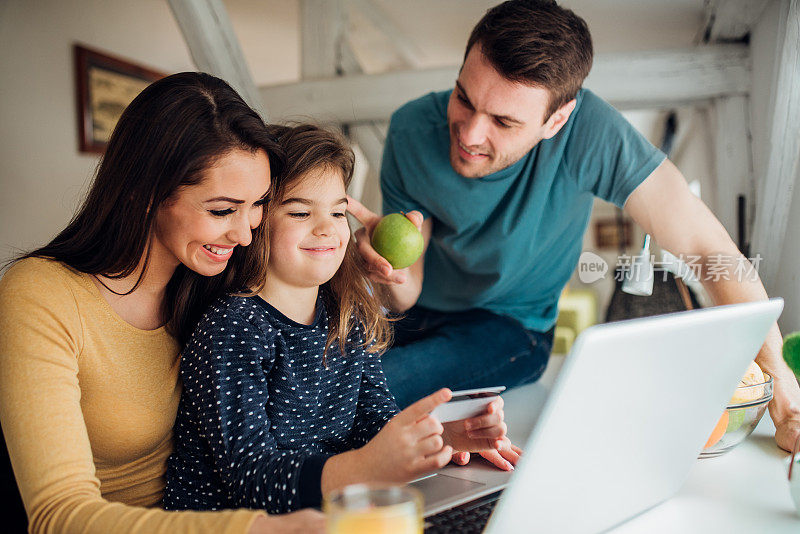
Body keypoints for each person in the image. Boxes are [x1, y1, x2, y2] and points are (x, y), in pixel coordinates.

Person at [348, 0, 800, 452]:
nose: (468, 134)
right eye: (464, 97)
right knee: (323, 369)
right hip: (415, 314)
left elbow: (707, 248)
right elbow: (408, 289)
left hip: (512, 327)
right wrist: (390, 272)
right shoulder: (410, 129)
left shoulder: (591, 135)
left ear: (557, 120)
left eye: (504, 122)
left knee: (369, 386)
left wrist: (781, 387)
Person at [0, 72, 325, 533]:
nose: (245, 231)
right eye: (221, 210)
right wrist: (254, 529)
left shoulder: (218, 282)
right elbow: (59, 515)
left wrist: (363, 264)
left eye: (257, 205)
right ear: (145, 193)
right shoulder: (41, 294)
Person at [163, 124, 519, 515]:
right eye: (301, 211)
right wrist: (368, 466)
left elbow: (375, 422)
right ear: (256, 221)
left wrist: (445, 436)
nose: (327, 227)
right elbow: (252, 480)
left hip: (332, 513)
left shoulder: (346, 316)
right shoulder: (232, 328)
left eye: (337, 211)